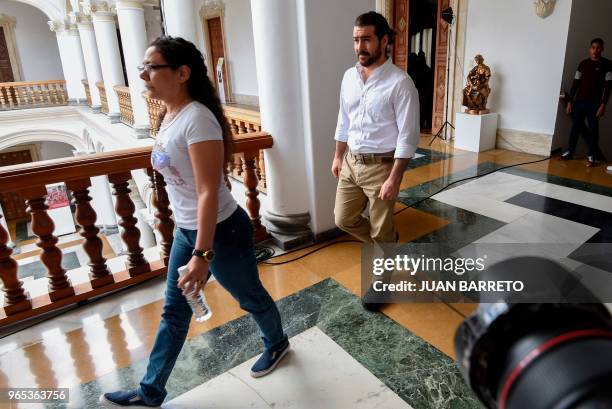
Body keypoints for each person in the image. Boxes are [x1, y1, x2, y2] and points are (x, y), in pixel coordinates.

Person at [100, 36, 289, 408]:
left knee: (249, 296)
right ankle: (150, 392)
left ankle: (277, 342)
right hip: (190, 230)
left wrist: (203, 254)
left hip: (221, 231)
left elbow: (207, 191)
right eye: (144, 67)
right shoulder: (168, 115)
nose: (142, 75)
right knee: (174, 310)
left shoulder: (198, 120)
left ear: (182, 73)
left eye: (152, 67)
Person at [332, 11, 420, 311]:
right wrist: (337, 156)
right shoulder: (348, 77)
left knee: (382, 230)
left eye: (366, 40)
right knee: (342, 219)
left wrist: (394, 177)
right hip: (350, 162)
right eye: (356, 40)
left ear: (384, 41)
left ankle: (382, 281)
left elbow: (408, 137)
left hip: (382, 166)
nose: (360, 47)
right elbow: (344, 120)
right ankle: (386, 244)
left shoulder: (400, 83)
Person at [560, 38, 612, 167]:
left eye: (598, 48)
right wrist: (570, 101)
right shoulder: (583, 64)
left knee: (593, 130)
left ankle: (591, 155)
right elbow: (575, 83)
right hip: (579, 102)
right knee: (575, 128)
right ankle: (570, 151)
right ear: (590, 49)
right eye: (593, 47)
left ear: (602, 49)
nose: (595, 50)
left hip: (594, 104)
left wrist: (603, 105)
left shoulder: (608, 65)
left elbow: (608, 86)